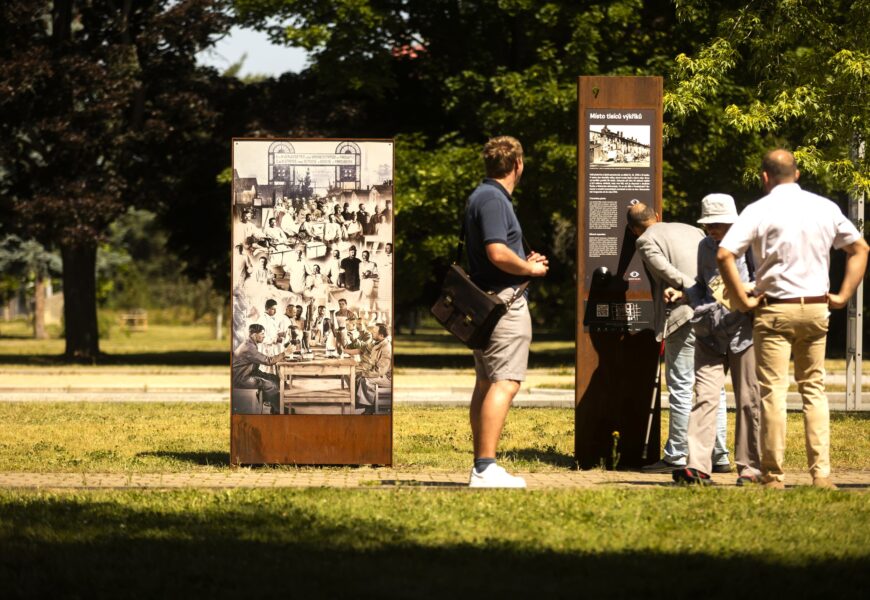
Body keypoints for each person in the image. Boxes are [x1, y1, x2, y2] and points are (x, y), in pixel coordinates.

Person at [717, 149, 868, 489]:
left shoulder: (758, 210)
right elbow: (861, 249)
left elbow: (725, 253)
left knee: (773, 392)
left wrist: (741, 297)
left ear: (765, 177)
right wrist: (843, 295)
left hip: (774, 309)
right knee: (814, 389)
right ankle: (822, 475)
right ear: (797, 174)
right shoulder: (825, 207)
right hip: (816, 308)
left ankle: (773, 476)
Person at [465, 135, 549, 488]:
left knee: (486, 383)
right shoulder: (494, 200)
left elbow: (497, 254)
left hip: (486, 301)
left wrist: (522, 262)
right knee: (506, 382)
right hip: (504, 305)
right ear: (518, 164)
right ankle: (485, 467)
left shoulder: (480, 196)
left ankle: (481, 465)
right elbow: (497, 253)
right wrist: (530, 270)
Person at [664, 194, 762, 486]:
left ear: (732, 221)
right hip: (710, 330)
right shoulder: (705, 247)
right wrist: (682, 294)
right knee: (704, 397)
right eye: (708, 224)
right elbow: (702, 286)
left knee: (748, 400)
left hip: (744, 331)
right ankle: (697, 467)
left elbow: (765, 281)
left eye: (717, 224)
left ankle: (750, 468)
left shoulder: (750, 245)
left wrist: (741, 289)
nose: (712, 230)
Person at [628, 202, 731, 473]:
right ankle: (719, 456)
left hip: (683, 313)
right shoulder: (693, 230)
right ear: (658, 216)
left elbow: (666, 271)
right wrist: (710, 295)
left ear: (632, 230)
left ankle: (677, 455)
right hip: (712, 311)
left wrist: (693, 291)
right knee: (713, 387)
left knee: (682, 386)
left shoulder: (645, 240)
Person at [233, 323, 284, 414]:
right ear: (254, 334)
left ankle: (275, 406)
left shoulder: (250, 343)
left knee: (275, 378)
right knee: (270, 385)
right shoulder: (248, 347)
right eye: (262, 334)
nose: (264, 336)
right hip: (241, 378)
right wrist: (284, 353)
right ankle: (278, 410)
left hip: (247, 373)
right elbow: (268, 361)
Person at [346, 323, 392, 414]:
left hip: (386, 377)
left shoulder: (386, 348)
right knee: (354, 376)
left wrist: (364, 373)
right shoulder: (375, 342)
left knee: (365, 380)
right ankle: (360, 404)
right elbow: (362, 349)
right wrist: (345, 350)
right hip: (375, 371)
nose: (372, 333)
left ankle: (369, 408)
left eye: (374, 332)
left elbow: (380, 371)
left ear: (381, 335)